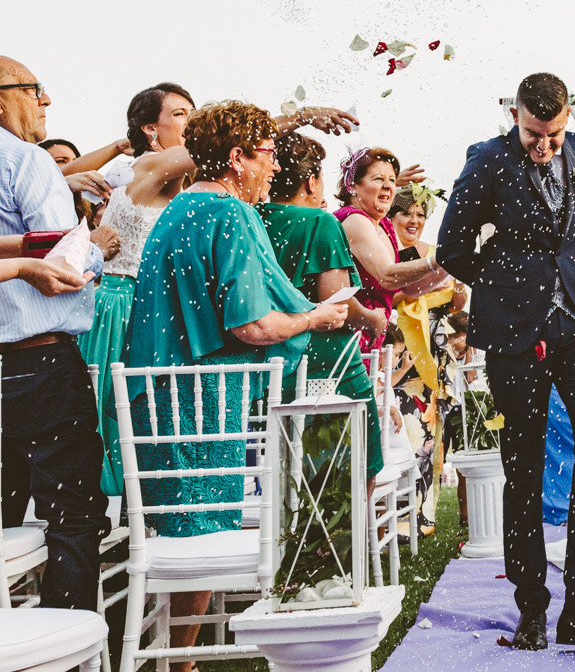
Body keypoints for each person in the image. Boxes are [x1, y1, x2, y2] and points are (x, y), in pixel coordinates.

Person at [126, 101, 348, 672]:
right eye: (269, 156)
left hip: (161, 404)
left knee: (184, 538)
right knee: (204, 534)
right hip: (201, 405)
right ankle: (183, 661)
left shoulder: (180, 208)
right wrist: (314, 319)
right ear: (236, 158)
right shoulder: (228, 213)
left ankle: (182, 658)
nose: (274, 170)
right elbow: (251, 326)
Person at [437, 72, 575, 651]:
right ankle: (531, 610)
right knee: (524, 465)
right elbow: (450, 248)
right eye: (535, 133)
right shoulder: (485, 161)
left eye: (554, 133)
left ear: (568, 117)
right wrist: (505, 286)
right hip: (515, 333)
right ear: (515, 115)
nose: (546, 145)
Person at [0, 56, 111, 611]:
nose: (46, 102)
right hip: (35, 362)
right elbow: (59, 267)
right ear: (2, 98)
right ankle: (63, 647)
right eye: (35, 90)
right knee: (74, 513)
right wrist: (98, 246)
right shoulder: (24, 161)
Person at [257, 131, 386, 483]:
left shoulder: (253, 217)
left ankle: (294, 531)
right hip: (324, 361)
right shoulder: (319, 222)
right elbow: (338, 301)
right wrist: (373, 318)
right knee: (358, 462)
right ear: (311, 181)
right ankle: (344, 536)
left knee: (290, 467)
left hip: (268, 359)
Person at [388, 184, 466, 535]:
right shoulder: (385, 252)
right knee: (404, 432)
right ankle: (398, 517)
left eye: (420, 214)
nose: (414, 220)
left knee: (434, 436)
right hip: (400, 352)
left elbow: (455, 305)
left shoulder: (436, 252)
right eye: (406, 213)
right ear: (393, 215)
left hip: (435, 354)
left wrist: (459, 293)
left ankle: (423, 516)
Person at [334, 148, 448, 355]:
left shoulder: (386, 226)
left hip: (371, 343)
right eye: (378, 179)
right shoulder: (354, 220)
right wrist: (443, 258)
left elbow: (411, 286)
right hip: (345, 343)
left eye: (392, 180)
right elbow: (388, 275)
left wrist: (452, 261)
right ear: (352, 186)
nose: (388, 185)